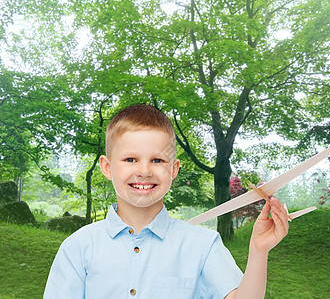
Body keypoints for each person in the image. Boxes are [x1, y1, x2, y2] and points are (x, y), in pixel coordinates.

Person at [44, 104, 289, 298]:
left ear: (173, 169)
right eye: (130, 159)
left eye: (157, 160)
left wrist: (259, 252)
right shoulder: (77, 247)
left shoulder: (202, 245)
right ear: (107, 168)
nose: (143, 171)